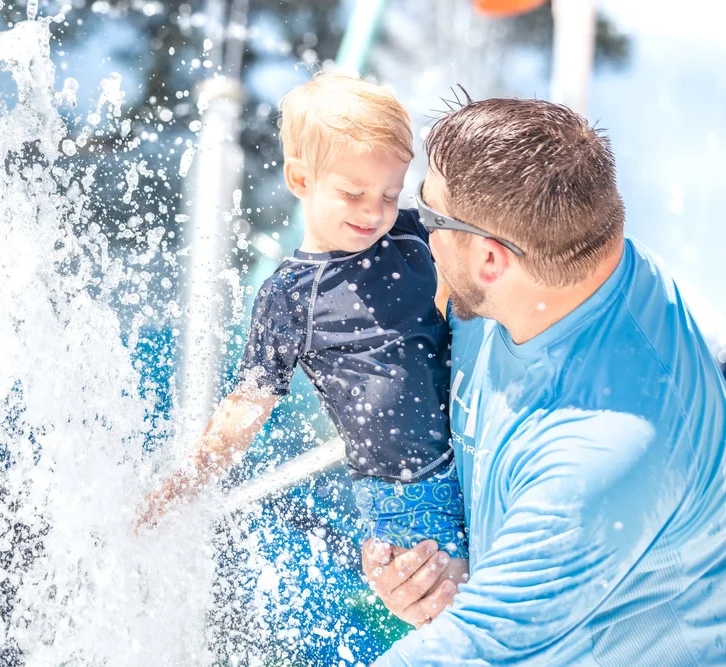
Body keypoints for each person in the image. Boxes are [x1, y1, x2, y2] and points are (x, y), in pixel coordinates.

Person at [363, 97, 726, 665]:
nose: (412, 231)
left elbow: (466, 651)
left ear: (491, 260)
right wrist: (442, 550)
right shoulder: (561, 262)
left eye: (429, 218)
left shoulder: (600, 455)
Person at [135, 72, 468, 585]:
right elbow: (248, 404)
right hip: (404, 492)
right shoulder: (290, 296)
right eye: (352, 192)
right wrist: (187, 480)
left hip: (469, 450)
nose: (374, 210)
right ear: (300, 180)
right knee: (448, 601)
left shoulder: (409, 233)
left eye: (390, 193)